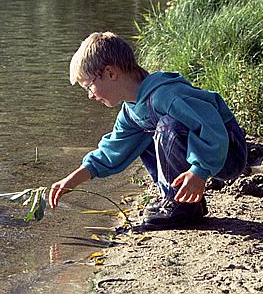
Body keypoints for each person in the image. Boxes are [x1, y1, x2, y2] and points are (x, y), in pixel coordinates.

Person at [49, 32, 247, 229]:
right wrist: (72, 180)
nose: (90, 96)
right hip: (208, 155)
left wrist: (200, 171)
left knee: (166, 126)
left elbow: (211, 127)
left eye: (88, 87)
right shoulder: (131, 110)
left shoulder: (166, 95)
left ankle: (180, 206)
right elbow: (112, 151)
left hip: (228, 151)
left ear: (110, 73)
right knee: (142, 133)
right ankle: (182, 200)